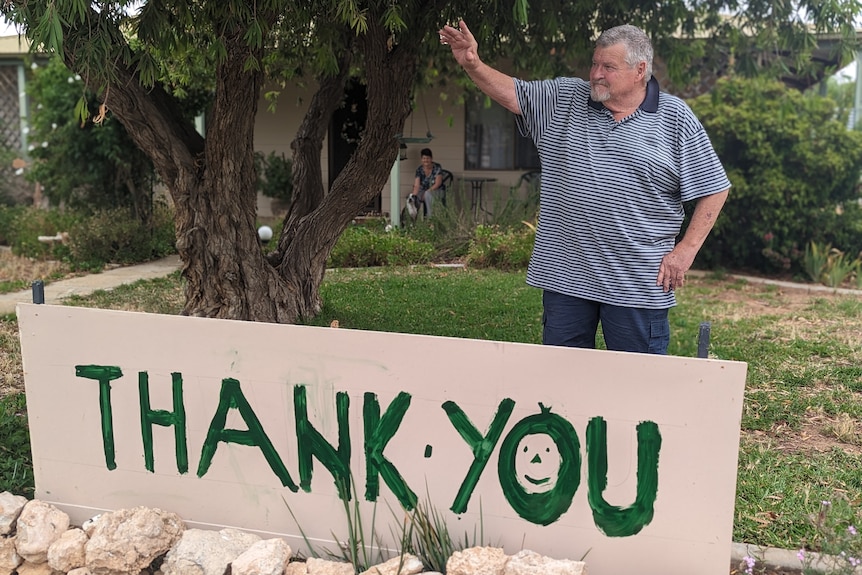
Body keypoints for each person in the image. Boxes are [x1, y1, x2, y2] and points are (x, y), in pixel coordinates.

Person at [438, 21, 730, 355]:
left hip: (636, 281)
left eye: (608, 67)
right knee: (563, 382)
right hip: (566, 278)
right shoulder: (566, 99)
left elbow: (714, 187)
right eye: (594, 64)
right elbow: (512, 93)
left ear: (640, 70)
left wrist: (686, 250)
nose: (595, 74)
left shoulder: (675, 117)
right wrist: (473, 64)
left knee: (638, 382)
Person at [410, 148, 445, 217]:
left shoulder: (437, 167)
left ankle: (430, 217)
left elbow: (438, 183)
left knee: (427, 194)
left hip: (436, 190)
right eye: (424, 158)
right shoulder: (419, 169)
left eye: (428, 158)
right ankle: (413, 216)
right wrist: (414, 195)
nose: (426, 160)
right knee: (414, 198)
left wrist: (426, 192)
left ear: (431, 159)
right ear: (421, 159)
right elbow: (417, 185)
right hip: (423, 189)